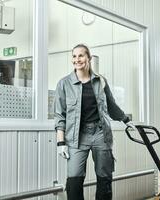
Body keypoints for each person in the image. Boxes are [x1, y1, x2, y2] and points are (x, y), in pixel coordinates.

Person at [54, 44, 135, 200]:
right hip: (76, 136)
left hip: (100, 134)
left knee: (104, 177)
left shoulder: (100, 81)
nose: (77, 60)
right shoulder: (64, 84)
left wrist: (125, 120)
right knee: (74, 179)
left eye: (81, 56)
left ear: (89, 58)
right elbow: (60, 115)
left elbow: (111, 105)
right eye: (74, 56)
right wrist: (60, 142)